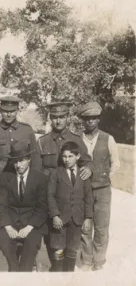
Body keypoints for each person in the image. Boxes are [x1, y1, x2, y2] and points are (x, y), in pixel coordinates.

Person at [34, 101, 94, 266]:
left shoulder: (76, 140)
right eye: (54, 117)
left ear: (67, 117)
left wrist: (89, 168)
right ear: (50, 118)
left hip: (68, 198)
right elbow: (37, 171)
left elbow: (88, 161)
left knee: (70, 239)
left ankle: (64, 272)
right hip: (48, 196)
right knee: (51, 237)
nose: (58, 121)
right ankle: (55, 269)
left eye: (61, 117)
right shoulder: (42, 142)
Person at [78, 102, 120, 271]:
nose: (90, 122)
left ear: (99, 119)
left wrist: (105, 176)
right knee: (85, 226)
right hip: (83, 190)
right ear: (83, 120)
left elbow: (115, 162)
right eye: (87, 118)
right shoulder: (77, 139)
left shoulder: (108, 138)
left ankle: (99, 260)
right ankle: (86, 260)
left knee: (102, 226)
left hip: (102, 190)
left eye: (94, 118)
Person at [0, 140, 49, 272]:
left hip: (32, 224)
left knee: (29, 252)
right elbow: (1, 205)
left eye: (22, 160)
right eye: (15, 161)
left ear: (29, 159)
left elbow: (42, 208)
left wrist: (29, 227)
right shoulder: (5, 177)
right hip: (10, 222)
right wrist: (8, 227)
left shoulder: (40, 178)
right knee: (7, 253)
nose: (18, 165)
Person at [47, 142, 93, 272]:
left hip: (77, 219)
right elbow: (50, 196)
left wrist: (88, 217)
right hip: (60, 220)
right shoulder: (56, 173)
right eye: (64, 156)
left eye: (70, 156)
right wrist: (55, 215)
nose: (66, 160)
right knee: (58, 250)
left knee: (72, 250)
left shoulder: (84, 174)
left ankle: (69, 277)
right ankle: (57, 276)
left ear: (78, 156)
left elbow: (88, 197)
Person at [0, 96, 37, 188]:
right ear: (0, 110)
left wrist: (32, 179)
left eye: (12, 111)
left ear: (17, 110)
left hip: (22, 177)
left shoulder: (27, 130)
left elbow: (34, 157)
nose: (9, 115)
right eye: (5, 111)